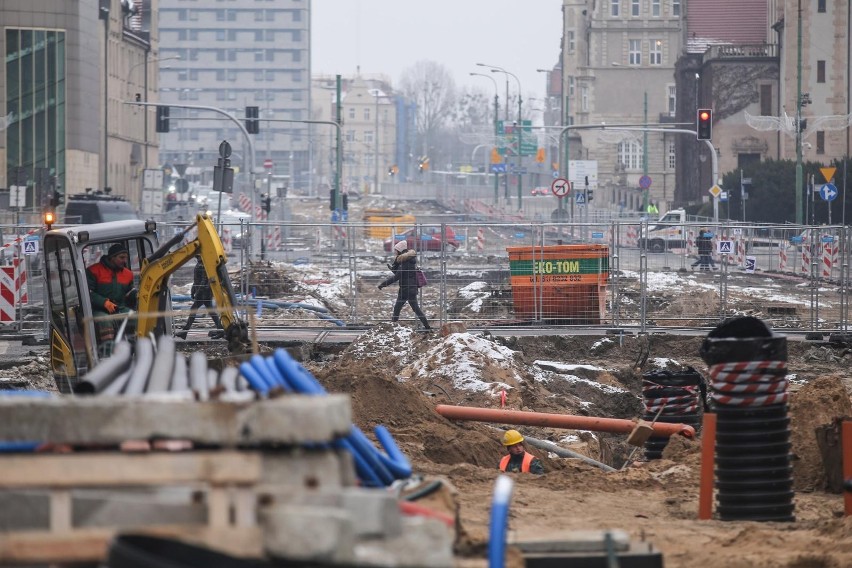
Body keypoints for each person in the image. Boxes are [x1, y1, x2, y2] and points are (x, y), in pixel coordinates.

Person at [86, 243, 135, 353]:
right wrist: (104, 302)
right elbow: (88, 292)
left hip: (120, 308)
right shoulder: (93, 271)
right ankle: (108, 355)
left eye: (126, 258)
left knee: (136, 318)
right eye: (121, 258)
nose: (124, 261)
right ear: (112, 257)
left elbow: (129, 292)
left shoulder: (128, 274)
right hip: (99, 309)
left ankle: (135, 351)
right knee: (105, 321)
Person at [378, 240, 432, 331]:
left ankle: (393, 327)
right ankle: (427, 327)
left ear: (399, 250)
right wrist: (393, 269)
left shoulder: (405, 262)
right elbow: (402, 274)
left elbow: (397, 277)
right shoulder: (408, 260)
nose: (395, 252)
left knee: (399, 308)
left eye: (396, 250)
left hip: (406, 289)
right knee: (411, 308)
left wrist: (383, 284)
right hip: (409, 288)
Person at [176, 254, 224, 340]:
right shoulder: (200, 265)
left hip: (203, 293)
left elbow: (203, 280)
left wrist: (197, 292)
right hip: (204, 292)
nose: (197, 258)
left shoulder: (203, 265)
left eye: (198, 256)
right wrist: (193, 290)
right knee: (212, 312)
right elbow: (196, 280)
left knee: (194, 310)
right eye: (197, 257)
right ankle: (221, 331)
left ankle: (185, 332)